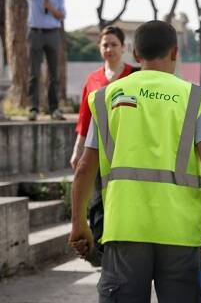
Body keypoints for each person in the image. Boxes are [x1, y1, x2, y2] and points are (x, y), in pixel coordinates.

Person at [69, 21, 201, 303]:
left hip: (124, 227)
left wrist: (78, 223)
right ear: (175, 53)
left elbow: (85, 166)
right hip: (180, 233)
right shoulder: (193, 97)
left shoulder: (108, 97)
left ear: (134, 53)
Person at [69, 26, 138, 266]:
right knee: (97, 202)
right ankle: (101, 253)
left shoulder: (134, 76)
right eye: (105, 45)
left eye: (113, 44)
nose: (109, 49)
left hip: (129, 151)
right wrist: (77, 150)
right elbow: (84, 119)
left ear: (124, 48)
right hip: (99, 151)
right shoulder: (93, 79)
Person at [15, 0, 66, 121]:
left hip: (52, 33)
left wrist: (50, 8)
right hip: (35, 33)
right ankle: (33, 109)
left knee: (53, 74)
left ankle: (54, 109)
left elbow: (62, 15)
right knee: (34, 73)